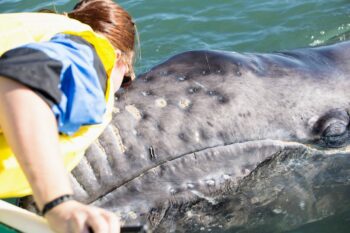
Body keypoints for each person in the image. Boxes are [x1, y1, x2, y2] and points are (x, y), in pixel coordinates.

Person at [0, 0, 136, 232]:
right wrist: (58, 203)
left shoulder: (34, 32)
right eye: (126, 80)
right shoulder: (87, 57)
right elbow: (17, 81)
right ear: (117, 59)